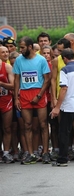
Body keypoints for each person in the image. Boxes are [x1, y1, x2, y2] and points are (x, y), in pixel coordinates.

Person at [13, 36, 51, 164]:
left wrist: (39, 95)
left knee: (43, 124)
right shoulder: (19, 60)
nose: (20, 49)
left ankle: (45, 152)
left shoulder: (41, 60)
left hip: (38, 92)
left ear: (30, 47)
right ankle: (30, 153)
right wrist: (16, 98)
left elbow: (47, 79)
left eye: (23, 47)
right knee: (27, 125)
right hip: (24, 94)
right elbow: (17, 79)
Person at [0, 46, 15, 163]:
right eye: (3, 52)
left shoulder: (8, 67)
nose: (5, 54)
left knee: (7, 128)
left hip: (6, 100)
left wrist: (1, 83)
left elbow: (13, 85)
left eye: (6, 52)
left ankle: (6, 152)